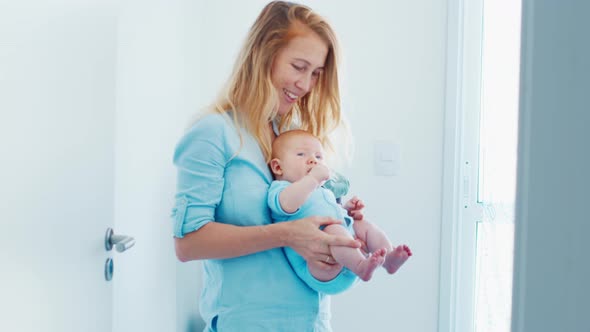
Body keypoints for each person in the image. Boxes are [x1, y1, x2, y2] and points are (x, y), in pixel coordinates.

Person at [171, 1, 364, 331]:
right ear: (264, 56)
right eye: (299, 66)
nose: (305, 85)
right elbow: (188, 243)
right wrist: (287, 234)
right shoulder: (213, 134)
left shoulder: (288, 141)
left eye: (316, 73)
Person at [268, 130, 412, 289]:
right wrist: (313, 179)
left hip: (345, 256)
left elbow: (327, 212)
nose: (312, 161)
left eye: (318, 157)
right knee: (333, 228)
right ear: (278, 167)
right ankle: (360, 266)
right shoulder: (281, 189)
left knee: (363, 225)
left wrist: (346, 210)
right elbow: (288, 204)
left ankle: (389, 258)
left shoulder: (321, 191)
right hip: (316, 268)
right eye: (301, 154)